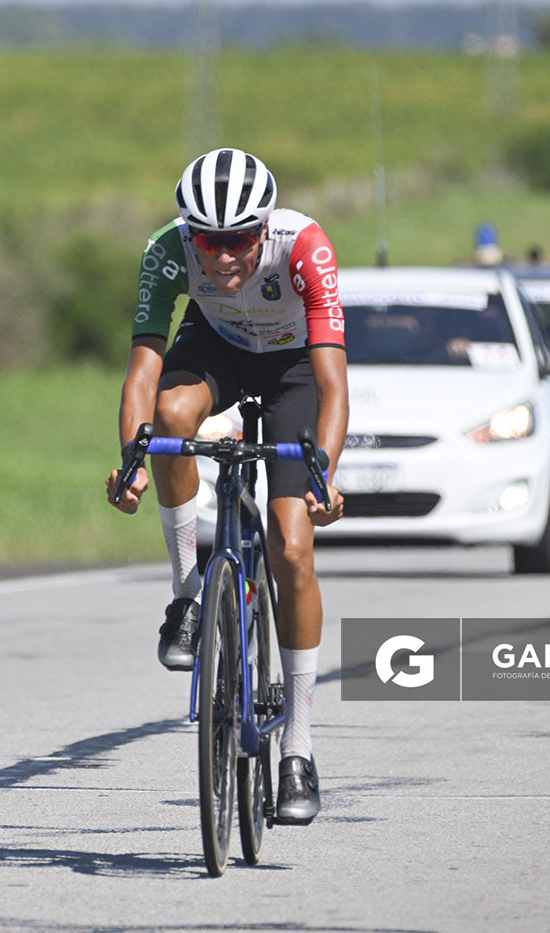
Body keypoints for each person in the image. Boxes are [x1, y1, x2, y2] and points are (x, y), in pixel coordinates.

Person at [106, 148, 348, 825]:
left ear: (262, 228)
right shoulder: (167, 249)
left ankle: (298, 749)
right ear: (192, 234)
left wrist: (324, 472)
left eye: (240, 239)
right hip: (216, 347)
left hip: (295, 366)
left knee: (292, 547)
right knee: (170, 421)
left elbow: (333, 386)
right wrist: (130, 459)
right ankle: (188, 596)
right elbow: (141, 376)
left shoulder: (303, 245)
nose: (226, 257)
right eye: (211, 241)